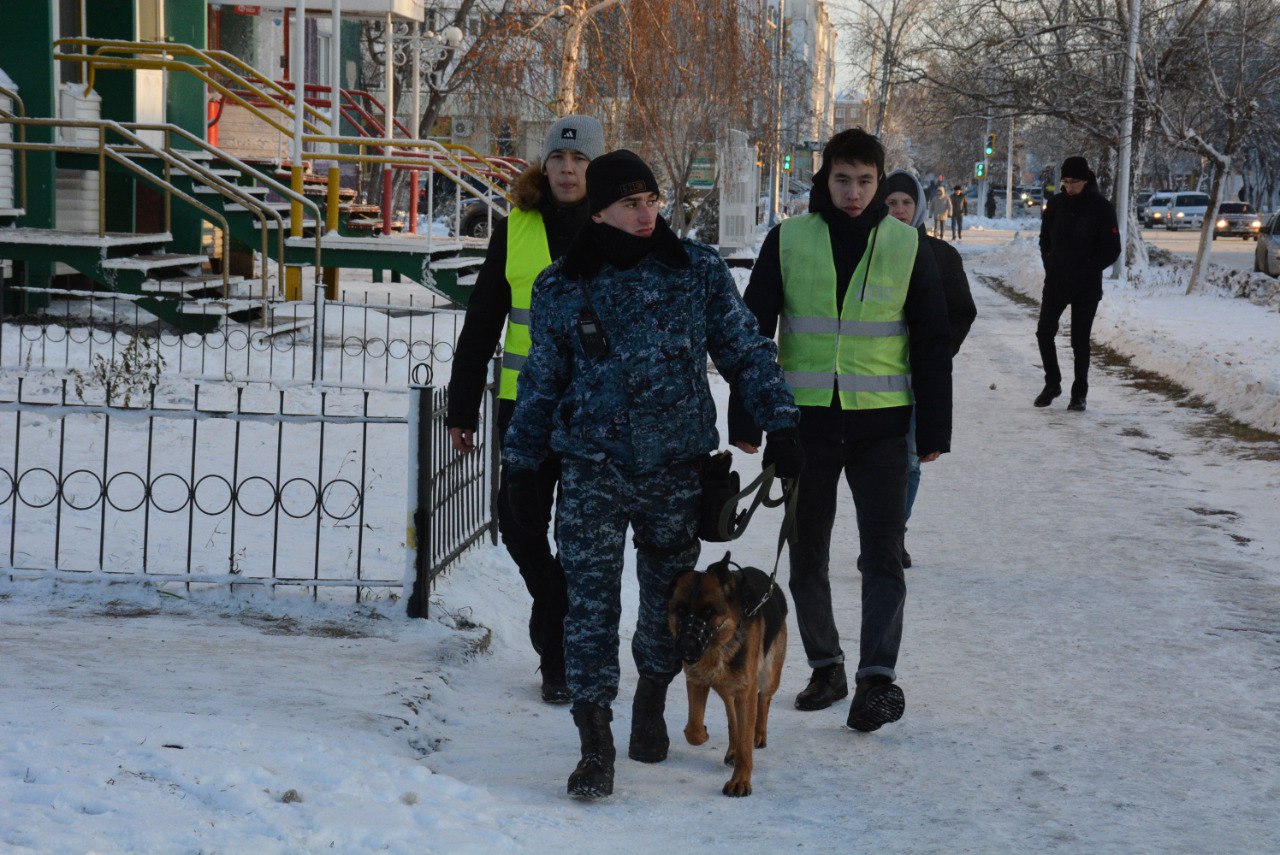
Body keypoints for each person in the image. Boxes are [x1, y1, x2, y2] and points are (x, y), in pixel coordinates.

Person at [502, 149, 801, 799]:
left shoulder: (695, 272)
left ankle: (651, 698)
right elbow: (540, 384)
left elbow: (746, 350)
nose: (646, 213)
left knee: (676, 612)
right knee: (589, 607)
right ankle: (594, 744)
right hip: (591, 469)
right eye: (630, 202)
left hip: (674, 470)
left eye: (652, 200)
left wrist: (784, 424)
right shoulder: (561, 287)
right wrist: (521, 466)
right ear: (600, 210)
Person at [728, 129, 952, 733]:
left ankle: (877, 681)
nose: (853, 193)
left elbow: (931, 342)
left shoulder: (908, 246)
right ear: (824, 179)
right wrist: (748, 415)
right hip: (804, 427)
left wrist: (933, 425)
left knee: (883, 557)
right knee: (806, 556)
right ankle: (826, 665)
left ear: (881, 184)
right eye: (842, 180)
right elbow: (754, 332)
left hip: (883, 430)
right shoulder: (789, 239)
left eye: (866, 181)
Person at [446, 115, 605, 704]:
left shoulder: (614, 226)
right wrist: (461, 407)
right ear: (545, 165)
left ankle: (558, 663)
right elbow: (484, 317)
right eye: (559, 160)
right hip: (524, 405)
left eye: (580, 161)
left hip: (592, 409)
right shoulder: (517, 226)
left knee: (580, 535)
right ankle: (557, 607)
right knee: (517, 522)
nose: (568, 170)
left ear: (596, 167)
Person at [882, 170, 976, 564]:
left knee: (909, 460)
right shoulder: (871, 251)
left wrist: (935, 352)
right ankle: (882, 533)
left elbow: (962, 312)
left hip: (917, 378)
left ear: (919, 206)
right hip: (871, 375)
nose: (899, 211)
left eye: (906, 203)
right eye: (891, 204)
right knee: (875, 463)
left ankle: (891, 537)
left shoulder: (941, 255)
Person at [1034, 155, 1121, 412]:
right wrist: (1050, 263)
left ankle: (1079, 393)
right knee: (1044, 332)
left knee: (1079, 341)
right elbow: (1044, 240)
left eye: (1074, 182)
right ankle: (1053, 383)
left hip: (1086, 286)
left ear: (1086, 180)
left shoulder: (1101, 207)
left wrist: (1088, 268)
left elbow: (1112, 249)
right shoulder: (1056, 204)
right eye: (1065, 181)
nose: (1069, 186)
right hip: (1057, 281)